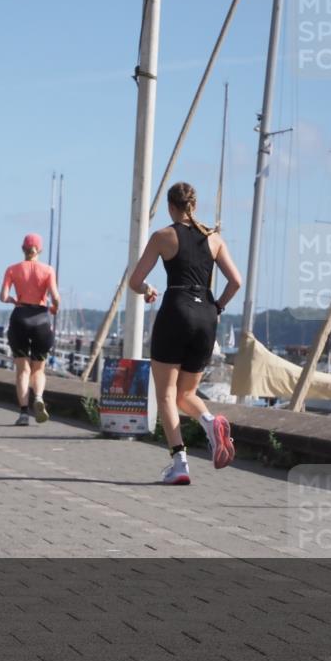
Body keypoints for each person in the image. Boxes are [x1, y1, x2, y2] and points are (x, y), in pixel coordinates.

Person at [129, 181, 241, 485]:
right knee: (186, 394)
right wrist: (216, 307)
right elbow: (235, 281)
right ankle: (209, 422)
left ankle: (180, 463)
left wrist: (148, 289)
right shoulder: (214, 238)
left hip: (176, 310)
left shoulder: (163, 236)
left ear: (171, 206)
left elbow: (135, 280)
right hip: (206, 315)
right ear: (194, 204)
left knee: (167, 395)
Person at [0, 233, 61, 426]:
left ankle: (24, 414)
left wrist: (11, 300)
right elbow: (56, 298)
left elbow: (3, 296)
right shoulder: (48, 270)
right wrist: (53, 309)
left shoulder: (12, 269)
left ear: (22, 249)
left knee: (22, 370)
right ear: (39, 250)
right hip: (41, 319)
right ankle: (39, 397)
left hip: (19, 318)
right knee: (39, 369)